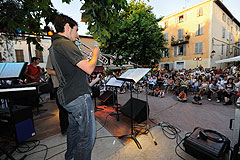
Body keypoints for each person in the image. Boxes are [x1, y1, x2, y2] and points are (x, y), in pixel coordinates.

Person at [49, 14, 100, 160]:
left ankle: (69, 155)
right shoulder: (65, 44)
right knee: (87, 138)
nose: (77, 36)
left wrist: (90, 59)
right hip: (78, 96)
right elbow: (90, 69)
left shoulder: (54, 46)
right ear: (67, 27)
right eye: (76, 30)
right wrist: (95, 54)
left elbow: (76, 69)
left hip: (67, 95)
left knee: (74, 129)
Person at [46, 56, 68, 135]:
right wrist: (64, 74)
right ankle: (65, 129)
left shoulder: (68, 52)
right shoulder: (52, 54)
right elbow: (49, 71)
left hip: (69, 85)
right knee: (63, 109)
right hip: (59, 86)